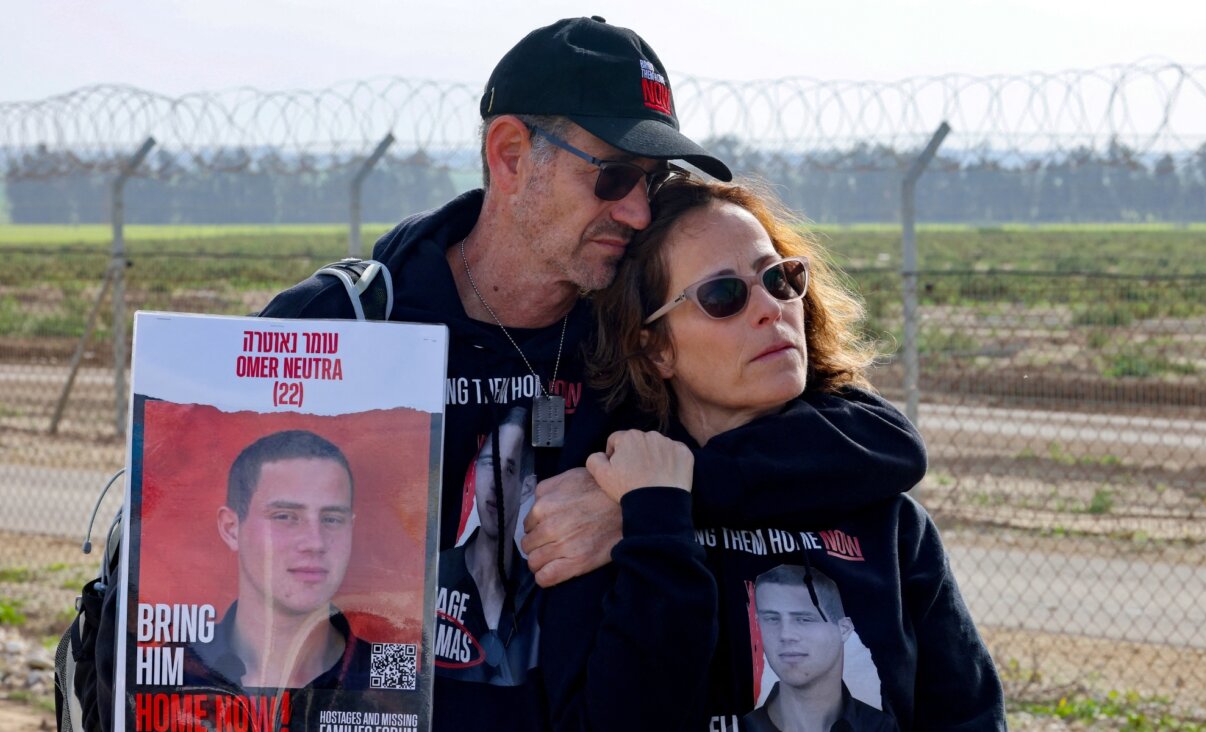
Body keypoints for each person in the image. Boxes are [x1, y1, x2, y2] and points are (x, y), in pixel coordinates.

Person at [259, 16, 928, 731]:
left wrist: (658, 499)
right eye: (611, 177)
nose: (638, 211)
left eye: (653, 180)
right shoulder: (351, 322)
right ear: (511, 155)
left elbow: (874, 444)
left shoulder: (635, 329)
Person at [546, 176, 1005, 730]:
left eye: (779, 277)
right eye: (723, 296)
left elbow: (968, 715)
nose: (769, 308)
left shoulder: (888, 520)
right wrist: (659, 530)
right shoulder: (609, 521)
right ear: (656, 347)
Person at [186, 430, 373, 691]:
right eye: (285, 516)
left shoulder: (393, 681)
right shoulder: (174, 670)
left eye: (332, 519)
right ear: (231, 528)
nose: (315, 543)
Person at [436, 406, 541, 685]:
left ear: (527, 487)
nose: (494, 483)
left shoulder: (538, 591)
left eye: (508, 468)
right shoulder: (432, 575)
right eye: (487, 464)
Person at [744, 566, 894, 732]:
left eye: (804, 619)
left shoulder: (884, 727)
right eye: (771, 619)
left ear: (844, 629)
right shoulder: (739, 728)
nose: (785, 634)